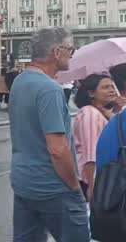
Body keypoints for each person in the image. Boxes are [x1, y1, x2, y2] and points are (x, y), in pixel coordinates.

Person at [8, 27, 89, 242]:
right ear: (56, 52)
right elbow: (57, 149)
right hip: (54, 187)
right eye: (70, 50)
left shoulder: (21, 80)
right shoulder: (49, 89)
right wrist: (74, 185)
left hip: (23, 181)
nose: (71, 55)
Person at [72, 74, 121, 202]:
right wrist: (92, 187)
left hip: (104, 178)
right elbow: (90, 154)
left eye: (112, 86)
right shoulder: (89, 114)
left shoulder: (100, 112)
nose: (111, 90)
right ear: (91, 93)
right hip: (93, 180)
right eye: (105, 87)